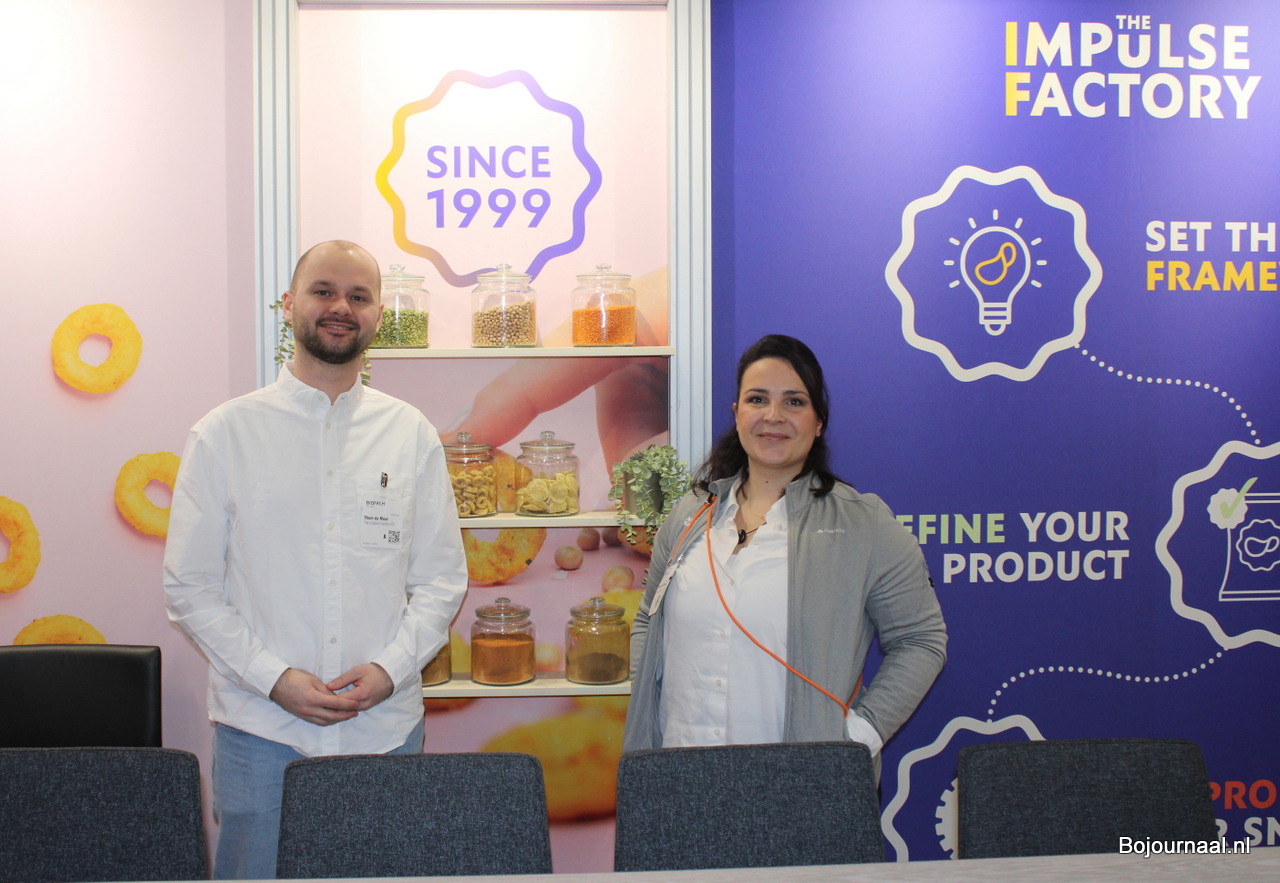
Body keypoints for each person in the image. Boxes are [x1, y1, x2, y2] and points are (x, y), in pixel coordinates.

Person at [163, 240, 468, 879]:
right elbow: (189, 588)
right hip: (260, 730)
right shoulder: (225, 433)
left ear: (378, 313)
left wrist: (389, 670)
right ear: (288, 304)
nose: (341, 308)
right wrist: (273, 677)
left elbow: (441, 580)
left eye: (358, 296)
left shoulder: (409, 433)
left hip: (383, 730)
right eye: (323, 291)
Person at [623, 334, 946, 765]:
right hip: (680, 771)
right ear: (737, 414)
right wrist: (647, 703)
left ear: (819, 422)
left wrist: (856, 739)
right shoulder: (690, 513)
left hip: (800, 782)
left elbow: (921, 640)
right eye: (757, 399)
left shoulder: (863, 524)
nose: (773, 416)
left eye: (794, 402)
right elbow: (649, 617)